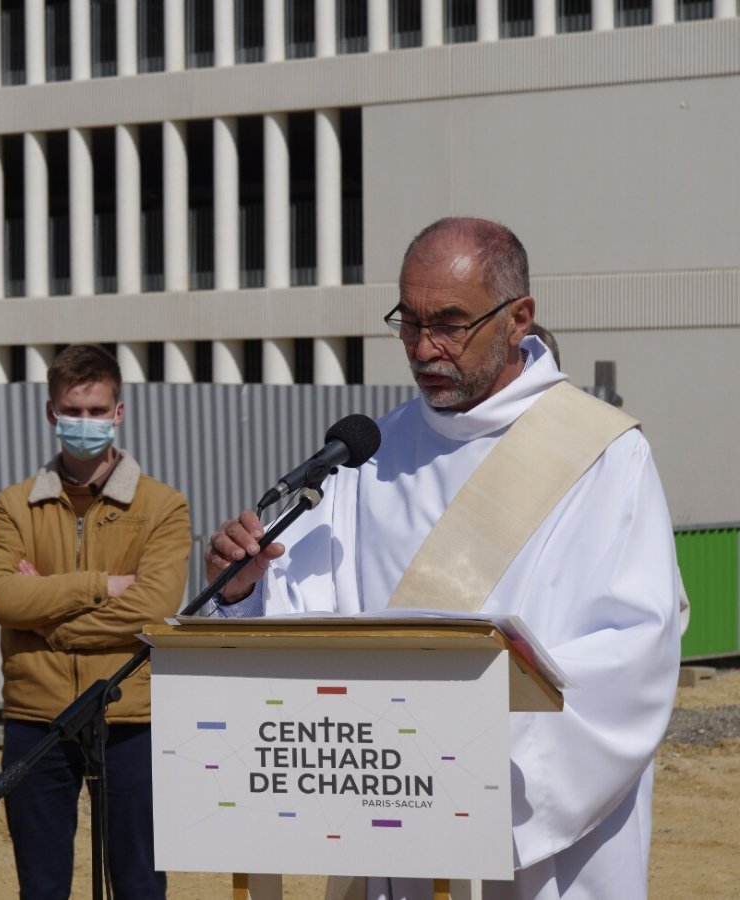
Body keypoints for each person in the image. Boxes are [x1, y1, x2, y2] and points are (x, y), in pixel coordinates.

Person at [205, 218, 684, 899]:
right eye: (409, 321)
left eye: (450, 324)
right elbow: (305, 612)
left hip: (533, 839)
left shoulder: (602, 454)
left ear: (519, 318)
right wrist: (242, 591)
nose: (424, 348)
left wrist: (466, 775)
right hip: (393, 812)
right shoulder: (373, 451)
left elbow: (632, 655)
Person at [0, 344, 191, 900]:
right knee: (42, 886)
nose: (85, 423)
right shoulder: (13, 506)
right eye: (74, 411)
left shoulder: (163, 506)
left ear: (118, 414)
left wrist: (51, 622)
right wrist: (98, 586)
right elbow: (2, 597)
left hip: (129, 712)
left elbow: (152, 608)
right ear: (52, 412)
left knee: (139, 883)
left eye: (98, 411)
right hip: (36, 717)